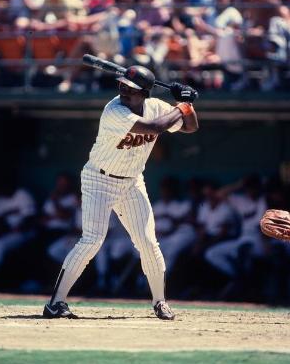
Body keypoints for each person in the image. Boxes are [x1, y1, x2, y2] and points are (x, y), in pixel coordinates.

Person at [43, 64, 198, 320]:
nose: (124, 91)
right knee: (92, 240)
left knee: (148, 242)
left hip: (132, 181)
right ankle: (55, 303)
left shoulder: (157, 107)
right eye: (122, 86)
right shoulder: (114, 110)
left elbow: (190, 127)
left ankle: (160, 302)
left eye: (131, 88)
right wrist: (179, 107)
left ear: (144, 93)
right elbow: (154, 128)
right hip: (98, 179)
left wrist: (188, 105)